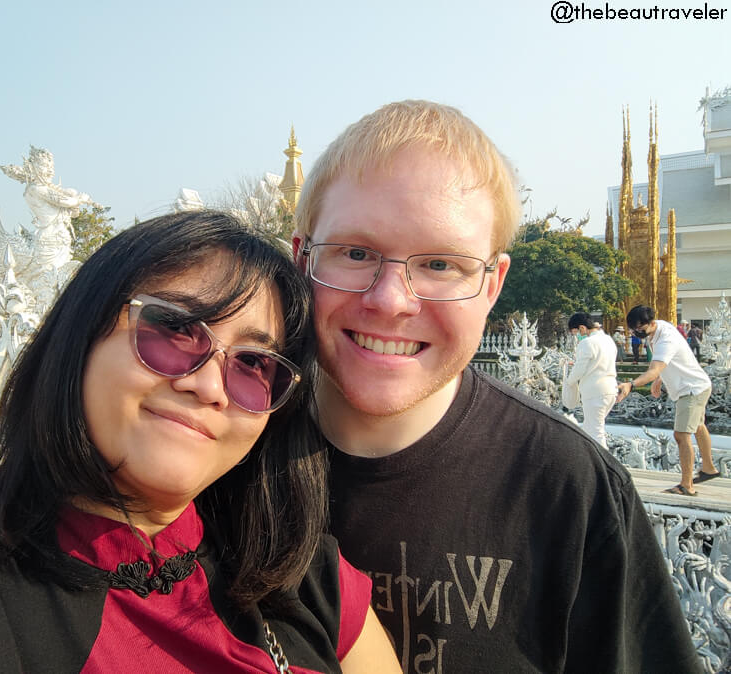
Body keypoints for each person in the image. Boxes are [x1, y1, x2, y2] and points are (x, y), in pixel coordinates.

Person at [0, 211, 399, 674]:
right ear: (80, 338)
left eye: (253, 363)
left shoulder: (309, 586)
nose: (207, 386)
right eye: (173, 329)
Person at [292, 100, 699, 672]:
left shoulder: (570, 489)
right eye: (356, 253)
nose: (389, 300)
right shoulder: (224, 456)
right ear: (300, 256)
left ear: (492, 285)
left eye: (440, 264)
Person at [617, 305, 719, 496]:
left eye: (640, 329)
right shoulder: (658, 330)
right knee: (697, 425)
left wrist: (631, 384)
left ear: (651, 323)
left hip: (691, 389)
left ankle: (686, 486)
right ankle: (708, 468)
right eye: (634, 330)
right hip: (694, 385)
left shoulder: (666, 338)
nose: (637, 333)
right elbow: (667, 363)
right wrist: (660, 379)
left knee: (681, 435)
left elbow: (654, 368)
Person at [563, 312, 618, 448]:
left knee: (595, 431)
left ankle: (604, 467)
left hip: (595, 392)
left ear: (582, 328)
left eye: (576, 333)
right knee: (592, 428)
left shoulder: (587, 343)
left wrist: (568, 381)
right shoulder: (608, 340)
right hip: (611, 389)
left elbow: (579, 370)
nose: (577, 337)